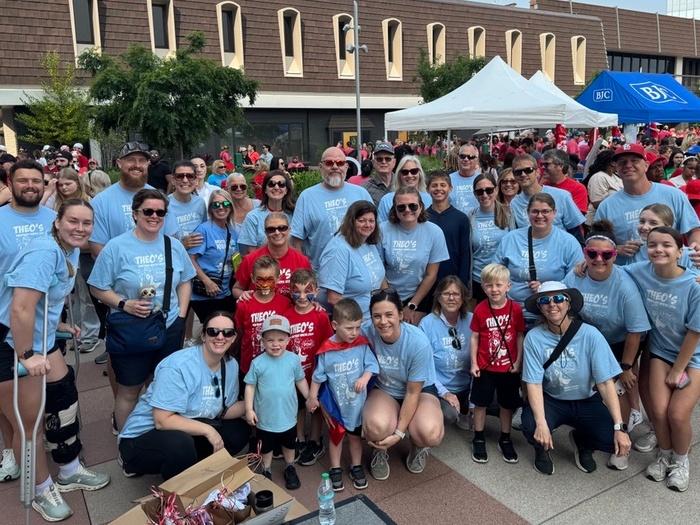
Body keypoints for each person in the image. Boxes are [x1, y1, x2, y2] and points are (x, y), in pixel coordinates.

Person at [0, 198, 110, 522]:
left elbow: (45, 299)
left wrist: (57, 325)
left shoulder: (69, 249)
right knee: (29, 424)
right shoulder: (44, 252)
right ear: (58, 221)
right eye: (73, 221)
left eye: (86, 223)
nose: (80, 228)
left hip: (41, 340)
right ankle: (39, 490)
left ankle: (69, 469)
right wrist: (27, 355)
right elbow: (20, 308)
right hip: (12, 344)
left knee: (63, 399)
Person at [88, 188, 196, 431]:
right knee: (129, 389)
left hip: (168, 325)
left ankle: (156, 435)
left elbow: (185, 280)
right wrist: (124, 304)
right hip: (131, 329)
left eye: (160, 212)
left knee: (163, 386)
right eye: (148, 211)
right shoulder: (116, 247)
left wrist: (181, 315)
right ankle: (126, 438)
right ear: (135, 214)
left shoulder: (173, 246)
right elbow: (97, 286)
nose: (154, 216)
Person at [118, 312, 249, 479]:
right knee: (180, 445)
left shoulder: (230, 364)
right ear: (203, 335)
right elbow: (162, 420)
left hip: (187, 424)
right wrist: (208, 431)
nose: (220, 337)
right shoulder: (178, 366)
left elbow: (223, 411)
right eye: (213, 332)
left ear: (234, 337)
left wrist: (256, 403)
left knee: (238, 432)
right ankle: (175, 486)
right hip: (143, 435)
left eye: (227, 333)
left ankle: (190, 467)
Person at [563, 222, 650, 469]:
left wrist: (626, 367)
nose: (599, 259)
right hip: (587, 340)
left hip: (618, 342)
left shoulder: (624, 285)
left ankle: (622, 440)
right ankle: (584, 433)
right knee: (585, 387)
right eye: (592, 253)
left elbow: (635, 331)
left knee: (618, 388)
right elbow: (562, 308)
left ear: (615, 255)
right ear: (585, 253)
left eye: (606, 254)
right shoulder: (575, 275)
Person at [520, 281, 631, 475]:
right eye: (545, 301)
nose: (552, 304)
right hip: (552, 398)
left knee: (609, 438)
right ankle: (541, 448)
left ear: (568, 303)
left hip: (586, 398)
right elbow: (534, 383)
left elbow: (605, 382)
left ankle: (583, 442)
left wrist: (619, 427)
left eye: (558, 298)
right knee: (531, 425)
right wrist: (541, 423)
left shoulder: (591, 334)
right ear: (540, 307)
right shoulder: (534, 337)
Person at [622, 227, 700, 492]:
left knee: (677, 415)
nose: (659, 250)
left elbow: (695, 332)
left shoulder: (694, 284)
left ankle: (681, 461)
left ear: (680, 251)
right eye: (653, 244)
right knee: (657, 412)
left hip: (692, 357)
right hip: (660, 352)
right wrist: (583, 266)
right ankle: (664, 455)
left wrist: (677, 370)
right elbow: (609, 268)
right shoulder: (640, 270)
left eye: (666, 245)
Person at [362, 288, 444, 481]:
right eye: (377, 316)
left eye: (389, 314)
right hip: (385, 388)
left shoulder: (418, 342)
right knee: (374, 426)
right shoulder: (366, 331)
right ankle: (379, 450)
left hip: (418, 391)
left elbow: (412, 393)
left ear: (400, 314)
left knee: (430, 433)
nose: (383, 321)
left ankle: (418, 446)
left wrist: (399, 434)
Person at [307, 299, 379, 491]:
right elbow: (318, 377)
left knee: (355, 437)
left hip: (356, 404)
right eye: (349, 328)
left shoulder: (361, 345)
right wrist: (312, 397)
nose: (354, 333)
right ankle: (335, 468)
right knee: (336, 436)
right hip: (336, 404)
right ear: (335, 325)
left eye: (357, 327)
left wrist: (365, 377)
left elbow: (372, 365)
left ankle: (356, 466)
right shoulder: (326, 350)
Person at [595, 143, 700, 265]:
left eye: (634, 161)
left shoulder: (673, 195)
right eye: (622, 162)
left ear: (646, 165)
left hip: (671, 271)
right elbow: (597, 243)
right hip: (629, 274)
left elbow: (693, 230)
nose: (628, 165)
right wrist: (617, 249)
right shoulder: (607, 206)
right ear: (616, 169)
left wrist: (697, 247)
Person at [494, 193, 582, 322]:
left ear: (554, 213)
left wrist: (548, 288)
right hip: (511, 313)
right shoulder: (511, 239)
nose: (540, 216)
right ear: (527, 213)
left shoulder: (568, 242)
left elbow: (576, 281)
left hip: (551, 314)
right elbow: (495, 273)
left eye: (545, 211)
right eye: (535, 211)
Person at [244, 315, 309, 490]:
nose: (275, 344)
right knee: (266, 447)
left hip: (288, 415)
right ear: (262, 341)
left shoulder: (293, 359)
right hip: (265, 417)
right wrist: (249, 409)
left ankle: (290, 466)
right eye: (270, 340)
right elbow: (250, 386)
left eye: (280, 339)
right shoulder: (258, 363)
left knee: (289, 444)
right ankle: (266, 469)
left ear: (288, 340)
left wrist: (309, 397)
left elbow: (300, 380)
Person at [469, 264, 524, 464]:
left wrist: (518, 361)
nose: (494, 289)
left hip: (508, 367)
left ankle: (505, 437)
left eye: (499, 285)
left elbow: (519, 335)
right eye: (489, 285)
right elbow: (475, 337)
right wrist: (474, 363)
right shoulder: (480, 309)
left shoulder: (515, 309)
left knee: (506, 404)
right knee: (480, 403)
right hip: (485, 366)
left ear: (508, 286)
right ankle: (479, 436)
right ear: (483, 287)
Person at [291, 147, 372, 270]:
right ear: (321, 167)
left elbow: (373, 232)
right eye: (329, 163)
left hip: (359, 270)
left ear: (346, 167)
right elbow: (297, 240)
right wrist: (304, 272)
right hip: (320, 273)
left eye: (340, 163)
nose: (335, 167)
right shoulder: (307, 197)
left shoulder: (361, 193)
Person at [284, 269, 334, 466]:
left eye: (308, 291)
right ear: (290, 291)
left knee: (316, 407)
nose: (303, 296)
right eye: (297, 291)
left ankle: (315, 440)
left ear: (317, 291)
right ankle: (299, 438)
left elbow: (327, 345)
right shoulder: (286, 316)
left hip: (315, 373)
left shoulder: (321, 316)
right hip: (294, 374)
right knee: (297, 406)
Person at [379, 187, 449, 325]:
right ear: (394, 209)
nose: (407, 210)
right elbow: (378, 271)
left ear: (421, 206)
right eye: (401, 207)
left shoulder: (434, 232)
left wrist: (412, 305)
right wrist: (392, 301)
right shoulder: (382, 230)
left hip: (420, 296)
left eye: (412, 206)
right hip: (387, 294)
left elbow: (431, 275)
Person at [419, 276, 473, 431]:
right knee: (448, 414)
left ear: (463, 298)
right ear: (438, 297)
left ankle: (466, 412)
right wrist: (445, 393)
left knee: (497, 399)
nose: (451, 298)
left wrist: (475, 397)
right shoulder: (427, 324)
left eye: (456, 294)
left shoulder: (472, 320)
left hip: (467, 385)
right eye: (446, 293)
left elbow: (479, 360)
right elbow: (423, 367)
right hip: (440, 387)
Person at [319, 200, 385, 319]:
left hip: (375, 315)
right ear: (351, 222)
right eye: (362, 220)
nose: (367, 225)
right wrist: (356, 323)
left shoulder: (367, 241)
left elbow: (380, 277)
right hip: (354, 320)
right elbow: (333, 298)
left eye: (371, 221)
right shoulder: (338, 250)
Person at [233, 256, 292, 376]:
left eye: (270, 279)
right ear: (252, 278)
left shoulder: (285, 304)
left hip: (278, 366)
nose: (265, 285)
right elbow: (238, 333)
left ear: (278, 279)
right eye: (260, 280)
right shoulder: (244, 304)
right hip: (250, 366)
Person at [234, 212, 311, 299]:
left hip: (291, 306)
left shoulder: (302, 260)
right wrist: (243, 295)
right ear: (265, 233)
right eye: (271, 229)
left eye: (282, 228)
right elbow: (237, 289)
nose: (277, 232)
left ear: (289, 230)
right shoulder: (250, 259)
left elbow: (309, 291)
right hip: (260, 306)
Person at [188, 189, 238, 322]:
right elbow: (190, 259)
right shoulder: (203, 229)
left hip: (225, 291)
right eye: (216, 204)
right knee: (214, 328)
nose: (221, 207)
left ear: (230, 206)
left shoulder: (233, 231)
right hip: (205, 293)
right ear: (210, 208)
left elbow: (236, 260)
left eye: (225, 204)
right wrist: (207, 282)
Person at [509, 154, 585, 237]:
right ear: (514, 175)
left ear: (537, 172)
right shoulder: (514, 203)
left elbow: (576, 231)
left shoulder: (562, 196)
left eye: (528, 170)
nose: (523, 174)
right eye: (518, 172)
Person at [468, 173, 515, 302]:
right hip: (479, 279)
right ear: (475, 194)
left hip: (503, 279)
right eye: (480, 191)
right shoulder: (470, 217)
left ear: (496, 190)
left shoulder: (509, 213)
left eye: (489, 190)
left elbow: (514, 246)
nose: (484, 195)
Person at [426, 171, 471, 296]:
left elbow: (465, 253)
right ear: (427, 189)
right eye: (434, 185)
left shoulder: (461, 218)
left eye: (443, 185)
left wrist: (462, 283)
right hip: (427, 281)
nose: (438, 189)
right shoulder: (422, 218)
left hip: (453, 279)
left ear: (450, 188)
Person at [239, 170, 295, 255]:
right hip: (262, 262)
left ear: (286, 190)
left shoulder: (295, 215)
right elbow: (250, 253)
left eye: (281, 184)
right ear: (265, 189)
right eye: (271, 184)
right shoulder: (253, 217)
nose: (276, 187)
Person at [377, 155, 432, 222]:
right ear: (399, 175)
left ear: (419, 173)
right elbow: (381, 226)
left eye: (414, 171)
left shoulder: (429, 199)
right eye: (405, 172)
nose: (409, 175)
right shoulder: (386, 201)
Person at [167, 160, 207, 247]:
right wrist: (182, 245)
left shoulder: (200, 202)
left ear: (196, 180)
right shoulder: (164, 205)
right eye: (180, 176)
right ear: (173, 180)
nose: (185, 180)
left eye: (190, 176)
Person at [542, 149, 589, 216]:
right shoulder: (542, 186)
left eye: (546, 164)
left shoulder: (578, 189)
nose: (543, 167)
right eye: (542, 164)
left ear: (560, 166)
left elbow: (577, 217)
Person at [583, 149, 621, 225]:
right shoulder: (598, 177)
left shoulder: (615, 176)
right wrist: (620, 201)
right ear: (612, 163)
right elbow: (596, 203)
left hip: (613, 220)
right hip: (598, 223)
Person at [449, 143, 481, 213]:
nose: (466, 159)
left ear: (476, 159)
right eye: (462, 156)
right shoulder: (448, 180)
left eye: (470, 157)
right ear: (458, 158)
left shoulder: (482, 180)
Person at [226, 172, 259, 237]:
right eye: (234, 187)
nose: (239, 189)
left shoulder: (258, 205)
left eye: (242, 186)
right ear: (227, 189)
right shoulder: (223, 210)